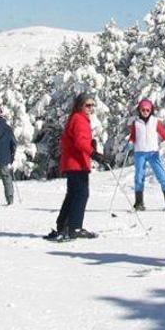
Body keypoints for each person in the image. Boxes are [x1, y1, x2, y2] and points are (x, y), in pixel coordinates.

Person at [45, 92, 106, 241]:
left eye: (92, 105)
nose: (90, 108)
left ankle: (63, 225)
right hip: (77, 163)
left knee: (73, 194)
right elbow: (79, 142)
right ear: (80, 105)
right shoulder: (79, 119)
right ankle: (74, 227)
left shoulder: (79, 119)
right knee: (81, 194)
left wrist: (90, 146)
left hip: (75, 162)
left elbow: (76, 140)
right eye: (87, 105)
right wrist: (93, 153)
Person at [123, 98, 165, 211]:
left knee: (162, 175)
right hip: (140, 153)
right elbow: (133, 136)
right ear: (139, 110)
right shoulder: (136, 123)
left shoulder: (155, 121)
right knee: (139, 177)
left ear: (151, 110)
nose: (145, 112)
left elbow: (163, 133)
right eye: (143, 110)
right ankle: (139, 203)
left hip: (153, 153)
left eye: (147, 110)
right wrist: (129, 143)